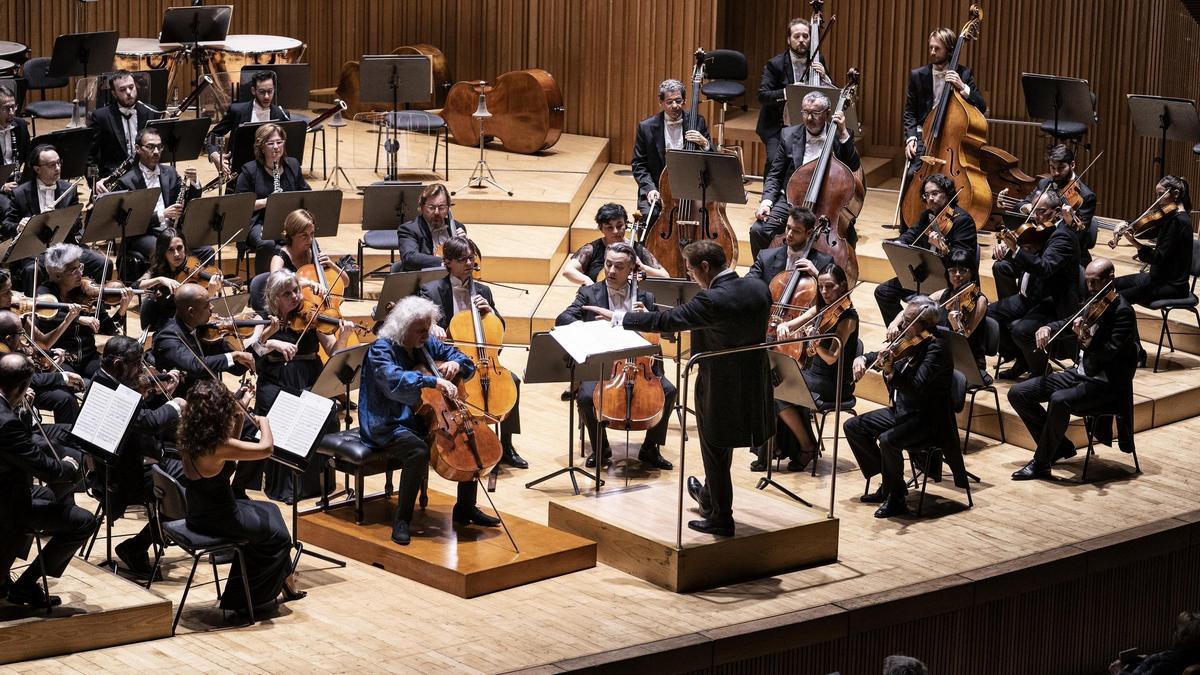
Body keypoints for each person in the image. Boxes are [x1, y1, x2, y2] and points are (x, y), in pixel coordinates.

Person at [584, 240, 773, 536]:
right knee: (723, 448)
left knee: (715, 449)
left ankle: (721, 518)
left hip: (720, 383)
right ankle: (709, 497)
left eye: (692, 271)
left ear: (705, 267)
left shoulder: (711, 299)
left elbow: (667, 320)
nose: (693, 278)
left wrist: (619, 317)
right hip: (754, 380)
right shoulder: (758, 287)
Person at [358, 296, 501, 546]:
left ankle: (466, 508)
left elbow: (464, 360)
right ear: (403, 329)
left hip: (424, 417)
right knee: (417, 450)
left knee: (466, 440)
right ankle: (402, 519)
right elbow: (394, 381)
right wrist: (433, 381)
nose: (427, 334)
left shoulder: (426, 342)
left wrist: (456, 363)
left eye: (428, 328)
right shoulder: (381, 350)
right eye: (420, 330)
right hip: (387, 420)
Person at [177, 379, 303, 615]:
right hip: (221, 518)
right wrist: (265, 422)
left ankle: (282, 580)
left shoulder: (190, 434)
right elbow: (266, 449)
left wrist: (239, 416)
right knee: (280, 537)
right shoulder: (216, 445)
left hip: (199, 512)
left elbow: (230, 456)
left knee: (270, 511)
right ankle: (245, 600)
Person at [1009, 258, 1139, 480]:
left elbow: (1108, 354)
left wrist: (1086, 340)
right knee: (1018, 393)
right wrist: (1048, 327)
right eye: (1087, 282)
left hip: (1104, 384)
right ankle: (1059, 447)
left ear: (1110, 280)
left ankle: (1041, 462)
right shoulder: (1094, 301)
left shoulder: (1122, 312)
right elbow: (1069, 322)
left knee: (1059, 400)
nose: (1090, 287)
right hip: (1080, 373)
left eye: (1094, 282)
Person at [555, 242, 678, 470]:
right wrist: (593, 329)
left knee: (669, 391)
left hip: (641, 366)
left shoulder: (646, 297)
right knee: (585, 397)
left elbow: (668, 332)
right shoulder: (589, 293)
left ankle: (650, 449)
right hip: (603, 364)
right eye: (608, 264)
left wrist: (649, 318)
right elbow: (563, 318)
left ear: (632, 269)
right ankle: (601, 449)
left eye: (619, 267)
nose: (611, 271)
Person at [844, 295, 965, 518]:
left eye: (908, 321)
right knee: (854, 427)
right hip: (904, 412)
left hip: (928, 420)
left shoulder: (936, 348)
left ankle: (897, 497)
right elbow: (881, 354)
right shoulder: (909, 339)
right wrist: (862, 359)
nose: (901, 325)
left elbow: (916, 388)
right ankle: (890, 483)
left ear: (925, 324)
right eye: (904, 319)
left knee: (888, 440)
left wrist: (891, 371)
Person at [419, 236, 528, 469]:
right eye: (463, 259)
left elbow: (499, 329)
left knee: (513, 381)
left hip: (480, 360)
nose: (469, 263)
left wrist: (491, 312)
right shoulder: (431, 291)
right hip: (449, 360)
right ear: (448, 262)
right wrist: (432, 326)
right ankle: (457, 444)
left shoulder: (483, 291)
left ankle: (507, 446)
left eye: (472, 258)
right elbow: (419, 327)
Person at [244, 269, 352, 502]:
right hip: (275, 381)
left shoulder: (311, 316)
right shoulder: (263, 318)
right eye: (287, 294)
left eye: (296, 290)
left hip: (310, 377)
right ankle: (289, 487)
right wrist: (271, 341)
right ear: (274, 298)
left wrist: (343, 337)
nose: (295, 296)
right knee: (286, 414)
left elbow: (333, 350)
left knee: (325, 412)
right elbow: (251, 351)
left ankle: (319, 483)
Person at [0, 353, 93, 609]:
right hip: (7, 505)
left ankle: (5, 568)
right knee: (84, 521)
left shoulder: (7, 413)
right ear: (23, 387)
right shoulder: (6, 424)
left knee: (52, 496)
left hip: (9, 488)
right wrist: (70, 464)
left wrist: (19, 410)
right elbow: (47, 470)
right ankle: (24, 585)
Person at [89, 335, 187, 577]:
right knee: (194, 483)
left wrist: (159, 395)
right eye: (137, 363)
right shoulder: (115, 392)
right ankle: (137, 546)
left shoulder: (102, 379)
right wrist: (175, 404)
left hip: (122, 465)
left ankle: (149, 540)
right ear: (119, 364)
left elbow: (137, 417)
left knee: (189, 475)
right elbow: (148, 422)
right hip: (124, 477)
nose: (142, 369)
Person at [765, 263, 858, 472]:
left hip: (833, 383)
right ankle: (778, 445)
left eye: (830, 286)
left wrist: (816, 345)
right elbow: (795, 323)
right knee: (773, 379)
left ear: (843, 286)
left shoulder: (848, 318)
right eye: (821, 287)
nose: (824, 292)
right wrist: (784, 326)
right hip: (812, 374)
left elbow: (832, 358)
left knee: (777, 390)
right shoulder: (822, 308)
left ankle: (807, 446)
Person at [987, 189, 1081, 380]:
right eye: (1034, 210)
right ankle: (1022, 360)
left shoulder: (1062, 237)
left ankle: (1041, 372)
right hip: (1030, 296)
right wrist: (1006, 250)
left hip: (1052, 302)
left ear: (1056, 212)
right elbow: (1027, 258)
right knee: (988, 316)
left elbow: (1045, 268)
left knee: (1021, 331)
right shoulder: (1041, 230)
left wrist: (1016, 249)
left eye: (1041, 211)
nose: (1036, 216)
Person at [752, 90, 860, 256]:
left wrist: (844, 133)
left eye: (815, 113)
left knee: (846, 237)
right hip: (792, 201)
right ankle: (764, 268)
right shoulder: (788, 135)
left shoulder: (840, 135)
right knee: (759, 230)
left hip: (827, 204)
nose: (809, 118)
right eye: (805, 112)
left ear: (827, 113)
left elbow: (853, 165)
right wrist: (766, 203)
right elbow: (775, 175)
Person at [874, 172, 977, 326]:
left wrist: (944, 249)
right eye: (927, 195)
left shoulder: (962, 221)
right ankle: (902, 332)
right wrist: (899, 243)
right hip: (926, 275)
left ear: (947, 193)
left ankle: (916, 332)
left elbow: (964, 260)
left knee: (922, 307)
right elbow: (911, 234)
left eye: (935, 193)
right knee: (883, 292)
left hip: (949, 281)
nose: (930, 198)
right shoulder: (927, 215)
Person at [3, 145, 110, 292]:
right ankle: (38, 305)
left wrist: (60, 218)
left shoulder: (69, 189)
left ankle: (91, 302)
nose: (57, 168)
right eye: (51, 165)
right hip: (35, 251)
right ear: (37, 169)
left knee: (103, 264)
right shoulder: (20, 193)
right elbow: (6, 224)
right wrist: (19, 226)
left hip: (65, 247)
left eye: (59, 163)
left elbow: (77, 225)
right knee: (31, 270)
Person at [113, 127, 204, 281]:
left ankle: (200, 288)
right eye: (150, 147)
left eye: (159, 147)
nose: (156, 151)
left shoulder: (170, 172)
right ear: (137, 149)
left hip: (171, 231)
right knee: (167, 250)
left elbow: (188, 202)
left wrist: (194, 183)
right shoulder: (126, 182)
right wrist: (162, 215)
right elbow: (130, 222)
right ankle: (167, 290)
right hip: (143, 235)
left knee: (205, 250)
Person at [36, 244, 133, 378]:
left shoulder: (87, 293)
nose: (80, 273)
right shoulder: (45, 294)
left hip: (88, 357)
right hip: (61, 358)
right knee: (73, 384)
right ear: (58, 275)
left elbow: (108, 329)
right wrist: (78, 319)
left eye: (80, 267)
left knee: (111, 378)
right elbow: (51, 313)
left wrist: (122, 309)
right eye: (73, 270)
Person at [902, 27, 987, 176]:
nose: (932, 52)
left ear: (949, 50)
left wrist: (962, 86)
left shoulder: (964, 74)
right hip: (925, 136)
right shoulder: (917, 75)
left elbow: (981, 106)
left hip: (952, 138)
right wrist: (911, 137)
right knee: (912, 175)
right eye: (931, 47)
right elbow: (910, 112)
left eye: (937, 48)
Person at [756, 18, 835, 177]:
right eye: (796, 36)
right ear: (788, 40)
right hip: (777, 125)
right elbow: (763, 95)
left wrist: (825, 77)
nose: (801, 40)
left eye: (805, 36)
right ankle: (769, 192)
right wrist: (789, 92)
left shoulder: (817, 59)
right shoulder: (775, 64)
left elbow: (828, 95)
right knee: (774, 161)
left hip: (808, 124)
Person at [151, 282, 254, 400]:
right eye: (206, 305)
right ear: (191, 312)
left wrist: (259, 344)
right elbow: (195, 366)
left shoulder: (206, 330)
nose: (212, 307)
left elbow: (237, 369)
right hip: (185, 403)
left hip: (209, 398)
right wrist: (235, 355)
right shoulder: (167, 338)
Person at [232, 123, 310, 275]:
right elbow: (240, 205)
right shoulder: (249, 170)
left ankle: (302, 278)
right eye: (270, 143)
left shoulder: (292, 165)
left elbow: (305, 193)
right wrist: (268, 202)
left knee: (307, 237)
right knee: (267, 243)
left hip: (288, 221)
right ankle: (265, 283)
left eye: (279, 142)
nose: (276, 147)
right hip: (258, 222)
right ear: (261, 147)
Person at [630, 79, 713, 224]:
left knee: (704, 219)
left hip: (691, 189)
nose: (675, 106)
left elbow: (712, 157)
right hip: (658, 188)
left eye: (678, 101)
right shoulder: (646, 127)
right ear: (661, 102)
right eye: (669, 102)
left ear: (685, 100)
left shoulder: (697, 122)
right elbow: (639, 164)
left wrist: (705, 143)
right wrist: (650, 188)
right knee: (649, 216)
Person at [1114, 175, 1194, 308]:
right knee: (1111, 284)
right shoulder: (1170, 216)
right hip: (1156, 278)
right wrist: (1127, 224)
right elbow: (1148, 230)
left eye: (1161, 195)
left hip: (1172, 285)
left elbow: (1157, 258)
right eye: (1157, 195)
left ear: (1175, 194)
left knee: (1118, 298)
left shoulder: (1179, 222)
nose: (1157, 200)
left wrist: (1134, 242)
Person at [1015, 144, 1098, 266]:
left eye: (1061, 168)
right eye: (1052, 168)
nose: (1056, 173)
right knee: (1002, 265)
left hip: (1065, 254)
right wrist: (1028, 207)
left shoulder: (1086, 196)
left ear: (1072, 165)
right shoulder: (1045, 183)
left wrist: (1069, 223)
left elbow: (1079, 236)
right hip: (1037, 245)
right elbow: (1020, 204)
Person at [0, 306, 83, 424]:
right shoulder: (3, 355)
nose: (24, 339)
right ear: (8, 339)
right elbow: (28, 378)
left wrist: (52, 367)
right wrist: (64, 377)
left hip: (24, 386)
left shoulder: (10, 347)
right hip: (15, 394)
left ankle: (63, 434)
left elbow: (31, 377)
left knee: (65, 398)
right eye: (21, 333)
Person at [134, 228, 223, 333]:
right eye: (171, 250)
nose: (176, 254)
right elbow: (135, 286)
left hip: (193, 321)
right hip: (170, 323)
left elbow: (198, 313)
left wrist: (210, 294)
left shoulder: (193, 265)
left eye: (180, 248)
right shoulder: (158, 269)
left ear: (185, 247)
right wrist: (160, 279)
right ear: (163, 252)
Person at [206, 71, 291, 174]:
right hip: (240, 171)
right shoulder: (237, 111)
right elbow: (214, 134)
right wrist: (214, 155)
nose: (267, 96)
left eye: (270, 91)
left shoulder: (281, 114)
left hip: (271, 172)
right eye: (262, 92)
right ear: (253, 91)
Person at [561, 202, 667, 285]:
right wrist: (588, 282)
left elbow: (665, 277)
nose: (616, 231)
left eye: (619, 226)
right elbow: (568, 271)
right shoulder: (591, 249)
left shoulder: (637, 249)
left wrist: (643, 268)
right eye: (609, 227)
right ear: (601, 229)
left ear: (626, 225)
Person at [929, 248, 990, 383]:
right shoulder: (946, 294)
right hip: (945, 356)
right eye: (952, 270)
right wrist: (895, 323)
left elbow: (965, 336)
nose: (957, 275)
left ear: (972, 272)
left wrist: (955, 323)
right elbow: (918, 306)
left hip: (968, 362)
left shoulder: (979, 300)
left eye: (963, 270)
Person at [89, 70, 161, 179]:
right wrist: (94, 182)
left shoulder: (150, 112)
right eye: (122, 89)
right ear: (114, 93)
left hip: (147, 174)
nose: (128, 92)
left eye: (131, 87)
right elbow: (91, 155)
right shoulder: (101, 117)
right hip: (114, 177)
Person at [745, 206, 833, 283]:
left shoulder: (824, 262)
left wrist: (817, 275)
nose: (789, 234)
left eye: (796, 231)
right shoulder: (765, 257)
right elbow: (747, 284)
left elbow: (833, 293)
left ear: (809, 233)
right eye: (788, 227)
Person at [390, 183, 467, 272]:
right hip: (423, 278)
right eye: (431, 207)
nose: (437, 212)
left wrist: (465, 244)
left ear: (448, 208)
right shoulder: (409, 229)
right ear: (422, 207)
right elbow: (409, 257)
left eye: (441, 207)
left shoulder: (457, 228)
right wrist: (445, 262)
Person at [1109, 610, 1200, 675]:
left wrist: (1119, 672)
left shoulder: (1166, 663)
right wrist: (1145, 659)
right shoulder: (1192, 657)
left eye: (1176, 629)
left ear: (1181, 636)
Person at [0, 85, 30, 215]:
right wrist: (1, 187)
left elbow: (28, 155)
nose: (12, 112)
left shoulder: (20, 125)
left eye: (13, 107)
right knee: (10, 209)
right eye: (6, 109)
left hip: (15, 180)